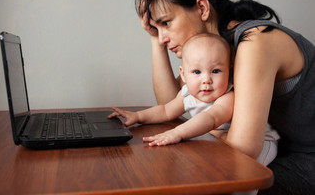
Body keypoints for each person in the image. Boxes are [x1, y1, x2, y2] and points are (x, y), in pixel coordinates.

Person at [132, 0, 315, 195]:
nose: (163, 38)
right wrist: (154, 39)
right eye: (156, 29)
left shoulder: (254, 41)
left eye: (166, 23)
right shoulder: (214, 49)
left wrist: (202, 131)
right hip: (284, 150)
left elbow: (243, 147)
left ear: (202, 8)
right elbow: (174, 102)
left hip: (307, 158)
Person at [110, 34, 279, 167]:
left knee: (246, 171)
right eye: (197, 72)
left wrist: (177, 132)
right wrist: (138, 117)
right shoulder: (187, 94)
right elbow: (165, 110)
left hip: (263, 143)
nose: (206, 79)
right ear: (183, 74)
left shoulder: (228, 96)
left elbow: (211, 118)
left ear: (229, 71)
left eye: (216, 71)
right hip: (221, 142)